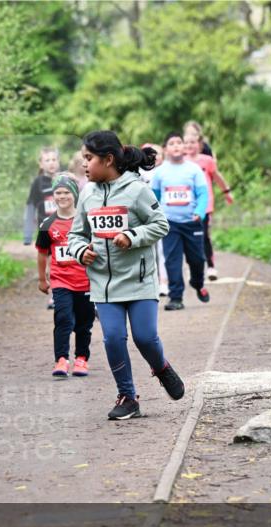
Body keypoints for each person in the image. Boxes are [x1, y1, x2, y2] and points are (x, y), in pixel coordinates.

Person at [67, 130, 186, 421]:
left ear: (108, 159)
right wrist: (81, 250)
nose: (84, 164)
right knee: (113, 338)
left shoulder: (137, 190)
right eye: (84, 158)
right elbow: (75, 235)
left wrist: (132, 236)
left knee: (144, 337)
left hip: (139, 279)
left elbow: (160, 224)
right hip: (104, 284)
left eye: (89, 158)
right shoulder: (87, 194)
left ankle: (161, 368)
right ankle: (128, 396)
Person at [36, 173, 95, 379]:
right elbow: (42, 253)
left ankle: (81, 358)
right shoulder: (47, 224)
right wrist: (42, 279)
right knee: (63, 319)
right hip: (61, 280)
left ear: (75, 194)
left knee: (84, 322)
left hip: (85, 280)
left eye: (66, 192)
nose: (62, 196)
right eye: (58, 193)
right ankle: (61, 359)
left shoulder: (85, 221)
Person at [151, 132, 210, 311]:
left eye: (179, 142)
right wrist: (156, 216)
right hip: (170, 223)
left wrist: (200, 212)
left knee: (197, 259)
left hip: (192, 221)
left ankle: (198, 282)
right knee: (172, 260)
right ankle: (175, 297)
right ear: (165, 149)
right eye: (172, 143)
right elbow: (154, 197)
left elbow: (203, 194)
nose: (176, 145)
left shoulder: (193, 170)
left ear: (184, 147)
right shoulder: (160, 172)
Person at [184, 133, 234, 281]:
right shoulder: (180, 162)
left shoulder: (207, 161)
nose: (189, 145)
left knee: (204, 236)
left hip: (204, 205)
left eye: (193, 142)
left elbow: (217, 177)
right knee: (189, 239)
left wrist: (226, 192)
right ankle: (193, 268)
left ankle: (211, 266)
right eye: (186, 143)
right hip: (186, 206)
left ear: (199, 145)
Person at [139, 142, 168, 296]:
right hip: (142, 215)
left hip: (160, 215)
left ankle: (164, 281)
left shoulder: (165, 171)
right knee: (146, 250)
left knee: (162, 251)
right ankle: (149, 281)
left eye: (157, 154)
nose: (153, 157)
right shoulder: (138, 172)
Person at [23, 147, 61, 245]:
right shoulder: (38, 182)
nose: (51, 163)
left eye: (54, 159)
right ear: (41, 164)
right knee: (46, 254)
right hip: (45, 229)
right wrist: (28, 235)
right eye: (47, 160)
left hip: (64, 227)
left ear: (58, 162)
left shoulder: (64, 179)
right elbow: (30, 208)